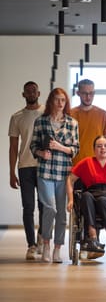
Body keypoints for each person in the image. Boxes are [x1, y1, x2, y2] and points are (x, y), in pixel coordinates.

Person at [30, 87, 79, 263]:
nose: (60, 103)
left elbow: (75, 149)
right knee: (49, 208)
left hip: (64, 173)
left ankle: (58, 248)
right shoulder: (40, 122)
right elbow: (33, 145)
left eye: (63, 100)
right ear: (51, 101)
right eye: (57, 99)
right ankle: (46, 244)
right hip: (44, 172)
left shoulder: (72, 123)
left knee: (62, 214)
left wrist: (60, 147)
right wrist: (41, 153)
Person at [8, 81, 45, 260]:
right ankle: (31, 245)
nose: (31, 93)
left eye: (33, 91)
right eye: (27, 92)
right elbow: (13, 147)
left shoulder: (46, 112)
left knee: (44, 206)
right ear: (23, 95)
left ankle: (42, 238)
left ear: (39, 93)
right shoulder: (17, 117)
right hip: (24, 167)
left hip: (44, 166)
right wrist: (11, 172)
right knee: (28, 207)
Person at [71, 79, 106, 165]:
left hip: (98, 164)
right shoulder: (70, 114)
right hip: (75, 165)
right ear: (78, 93)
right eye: (84, 93)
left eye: (91, 93)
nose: (88, 97)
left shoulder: (103, 114)